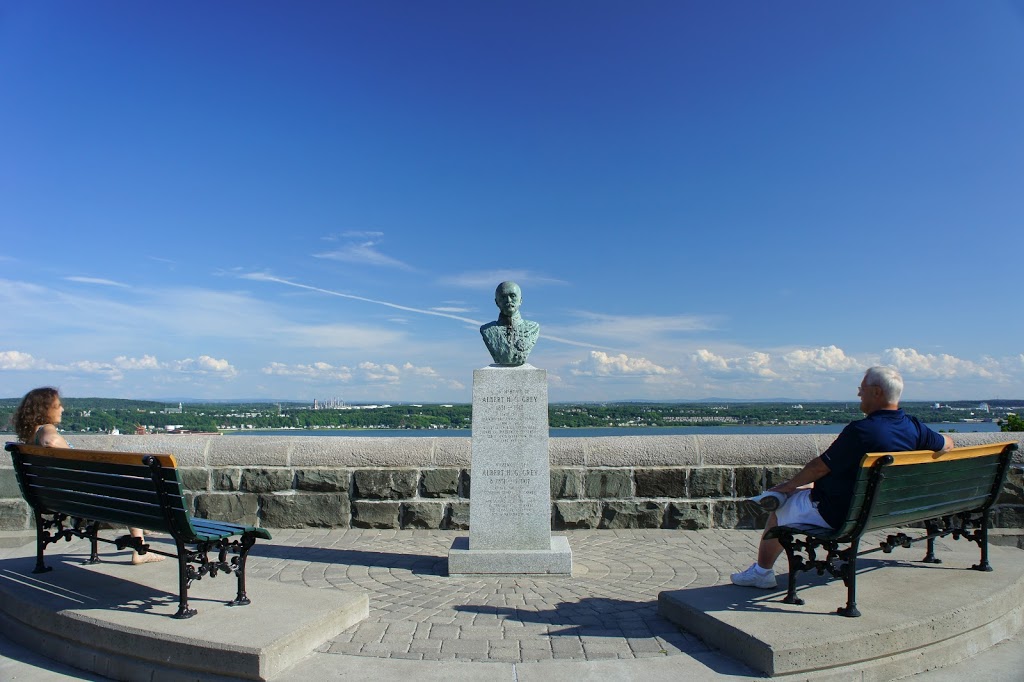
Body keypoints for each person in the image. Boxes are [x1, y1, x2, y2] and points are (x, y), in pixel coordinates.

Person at [731, 366, 953, 588]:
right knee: (806, 489)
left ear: (876, 392)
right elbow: (948, 444)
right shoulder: (914, 427)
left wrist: (789, 485)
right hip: (886, 508)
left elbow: (819, 467)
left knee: (780, 509)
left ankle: (762, 573)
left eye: (861, 388)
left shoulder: (861, 431)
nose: (858, 394)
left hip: (842, 514)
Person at [12, 387, 164, 565]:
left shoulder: (29, 439)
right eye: (58, 405)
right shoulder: (46, 429)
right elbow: (51, 441)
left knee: (124, 486)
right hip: (82, 498)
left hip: (54, 499)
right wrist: (75, 460)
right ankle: (141, 547)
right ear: (45, 409)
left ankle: (141, 533)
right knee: (131, 485)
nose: (62, 409)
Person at [480, 281, 540, 366]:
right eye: (503, 297)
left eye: (512, 296)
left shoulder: (533, 327)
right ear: (496, 302)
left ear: (520, 300)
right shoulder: (487, 329)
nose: (508, 300)